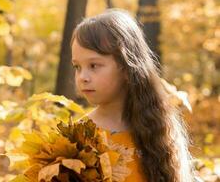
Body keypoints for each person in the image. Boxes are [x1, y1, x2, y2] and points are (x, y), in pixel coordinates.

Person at [71, 9, 196, 182]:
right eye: (77, 67)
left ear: (126, 67)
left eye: (94, 65)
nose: (83, 77)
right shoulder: (76, 136)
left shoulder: (158, 127)